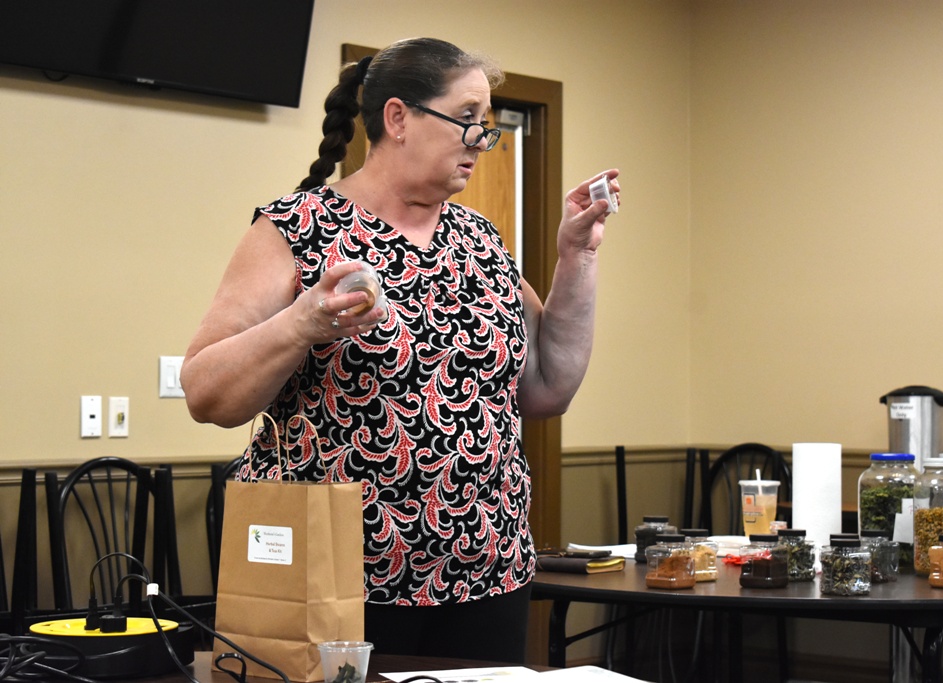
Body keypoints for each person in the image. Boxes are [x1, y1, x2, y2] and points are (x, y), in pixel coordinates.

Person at [180, 37, 620, 663]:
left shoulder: (480, 241)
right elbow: (205, 393)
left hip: (485, 569)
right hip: (335, 579)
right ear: (398, 118)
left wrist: (577, 256)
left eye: (487, 123)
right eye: (467, 117)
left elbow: (549, 387)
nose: (482, 140)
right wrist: (302, 323)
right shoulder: (296, 229)